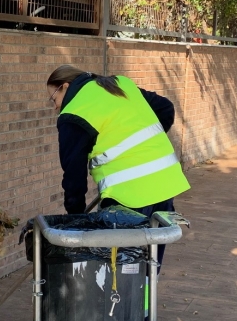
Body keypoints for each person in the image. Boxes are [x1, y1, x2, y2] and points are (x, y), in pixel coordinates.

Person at [46, 65, 189, 224]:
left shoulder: (73, 112)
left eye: (54, 99)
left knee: (123, 248)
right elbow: (165, 108)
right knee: (154, 245)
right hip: (165, 182)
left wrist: (76, 218)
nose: (55, 107)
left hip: (128, 196)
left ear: (65, 86)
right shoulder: (119, 84)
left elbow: (74, 174)